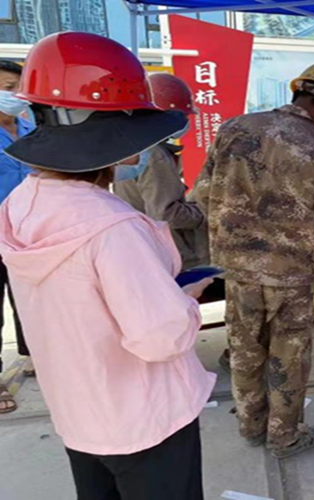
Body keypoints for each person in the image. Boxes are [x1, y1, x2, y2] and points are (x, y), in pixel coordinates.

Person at [0, 32, 215, 499]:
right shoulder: (113, 228)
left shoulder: (20, 204)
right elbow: (159, 337)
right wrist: (184, 301)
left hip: (79, 411)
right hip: (145, 418)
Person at [193, 62, 314, 459]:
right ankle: (284, 437)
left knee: (245, 347)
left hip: (236, 268)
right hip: (290, 274)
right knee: (288, 355)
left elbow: (202, 192)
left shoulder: (235, 128)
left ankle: (251, 424)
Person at [114, 73, 208, 271]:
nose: (185, 121)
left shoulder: (131, 148)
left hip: (149, 251)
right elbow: (166, 214)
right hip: (174, 258)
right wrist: (205, 213)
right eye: (182, 116)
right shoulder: (154, 155)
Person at [0, 60, 34, 413]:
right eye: (9, 88)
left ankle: (33, 354)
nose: (16, 96)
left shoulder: (29, 127)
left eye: (19, 88)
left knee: (29, 298)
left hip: (28, 232)